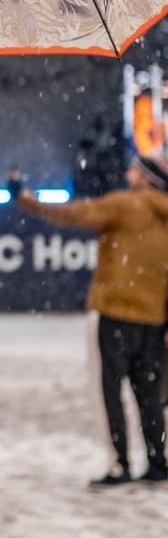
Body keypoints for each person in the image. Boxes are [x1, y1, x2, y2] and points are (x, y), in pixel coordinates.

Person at [13, 155, 168, 487]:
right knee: (149, 393)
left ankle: (119, 464)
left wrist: (25, 198)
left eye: (134, 170)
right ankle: (158, 462)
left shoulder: (125, 205)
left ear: (144, 179)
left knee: (108, 391)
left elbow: (70, 214)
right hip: (154, 318)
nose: (128, 173)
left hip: (114, 312)